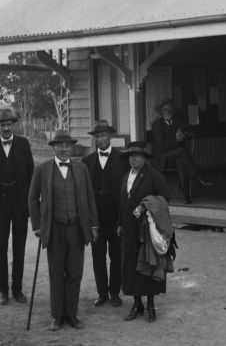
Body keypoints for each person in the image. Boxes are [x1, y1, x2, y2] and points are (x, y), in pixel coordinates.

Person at [28, 130, 99, 331]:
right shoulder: (43, 169)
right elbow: (32, 199)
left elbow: (90, 198)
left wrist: (94, 225)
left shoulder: (81, 168)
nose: (64, 149)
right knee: (57, 273)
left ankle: (72, 315)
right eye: (60, 145)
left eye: (67, 145)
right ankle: (57, 316)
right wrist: (38, 226)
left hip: (77, 228)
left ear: (72, 147)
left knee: (75, 272)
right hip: (55, 229)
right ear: (53, 147)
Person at [0, 108, 35, 305]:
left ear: (14, 125)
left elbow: (31, 174)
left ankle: (17, 290)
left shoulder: (23, 144)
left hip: (20, 203)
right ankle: (3, 290)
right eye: (2, 125)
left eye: (9, 124)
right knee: (0, 247)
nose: (5, 128)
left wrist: (32, 202)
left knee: (19, 247)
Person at [118, 142, 169, 322]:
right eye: (130, 156)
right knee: (131, 266)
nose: (133, 159)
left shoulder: (153, 176)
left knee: (148, 265)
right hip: (129, 229)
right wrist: (120, 224)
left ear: (144, 158)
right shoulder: (125, 177)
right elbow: (122, 204)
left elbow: (164, 198)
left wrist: (146, 206)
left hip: (147, 229)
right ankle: (136, 303)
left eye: (137, 156)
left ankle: (150, 304)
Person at [82, 120, 129, 308]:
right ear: (94, 139)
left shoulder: (122, 159)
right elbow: (84, 192)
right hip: (96, 217)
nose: (100, 139)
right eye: (97, 136)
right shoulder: (87, 161)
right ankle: (102, 293)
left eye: (103, 135)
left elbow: (127, 190)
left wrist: (123, 219)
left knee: (116, 256)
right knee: (98, 256)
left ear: (110, 136)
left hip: (115, 214)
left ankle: (115, 292)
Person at [150, 99, 210, 203]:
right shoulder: (156, 125)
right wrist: (177, 140)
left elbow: (190, 129)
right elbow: (162, 145)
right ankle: (196, 178)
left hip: (175, 157)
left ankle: (186, 197)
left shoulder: (177, 123)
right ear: (160, 112)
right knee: (181, 151)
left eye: (170, 109)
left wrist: (181, 130)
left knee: (181, 163)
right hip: (161, 158)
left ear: (173, 111)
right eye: (165, 109)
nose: (168, 111)